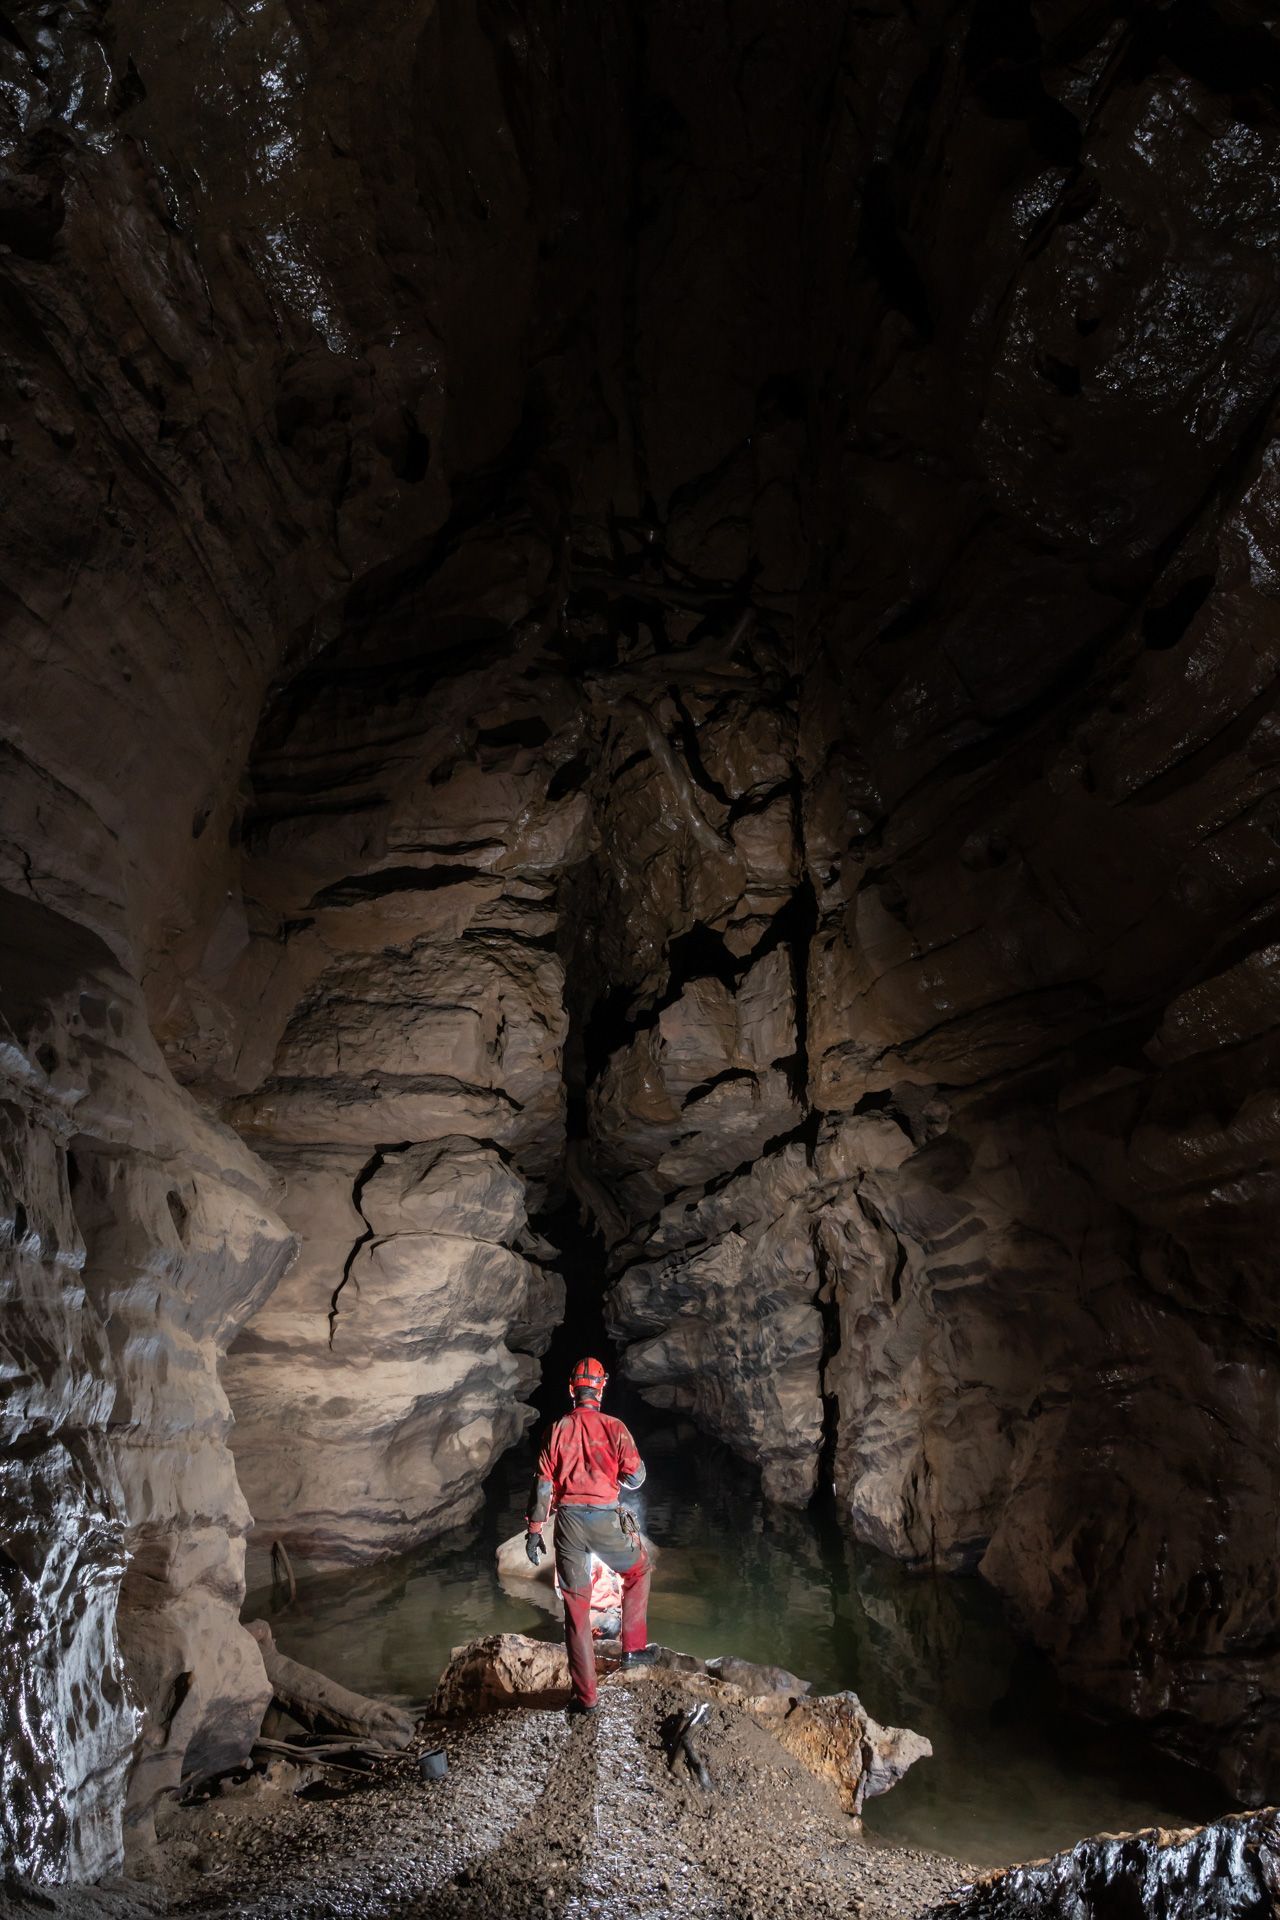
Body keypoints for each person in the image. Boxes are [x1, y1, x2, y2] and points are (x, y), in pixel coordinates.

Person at [525, 1355, 653, 1714]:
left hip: (568, 1526)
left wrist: (534, 1532)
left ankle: (586, 1698)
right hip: (604, 1522)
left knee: (577, 1611)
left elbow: (543, 1487)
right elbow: (637, 1477)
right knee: (638, 1571)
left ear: (571, 1390)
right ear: (601, 1388)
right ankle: (633, 1650)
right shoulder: (615, 1427)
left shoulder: (557, 1429)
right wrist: (616, 1479)